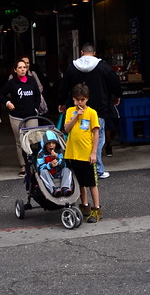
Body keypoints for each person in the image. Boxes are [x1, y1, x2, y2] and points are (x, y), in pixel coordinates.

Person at [59, 43, 122, 178]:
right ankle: (96, 168)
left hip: (77, 110)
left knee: (77, 139)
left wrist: (62, 102)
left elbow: (64, 86)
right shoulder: (103, 67)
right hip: (98, 110)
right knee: (97, 140)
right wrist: (116, 96)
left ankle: (80, 168)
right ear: (94, 53)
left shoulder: (72, 67)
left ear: (81, 52)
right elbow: (115, 83)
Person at [64, 83, 102, 223]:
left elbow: (96, 133)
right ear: (74, 99)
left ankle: (96, 209)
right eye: (77, 99)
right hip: (73, 153)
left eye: (83, 99)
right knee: (80, 182)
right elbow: (66, 129)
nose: (80, 102)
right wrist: (76, 116)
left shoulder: (92, 113)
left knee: (91, 182)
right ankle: (84, 205)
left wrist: (93, 153)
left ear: (87, 99)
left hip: (86, 153)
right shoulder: (70, 111)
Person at [0, 59, 40, 176]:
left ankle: (34, 164)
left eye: (24, 67)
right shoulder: (12, 83)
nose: (23, 69)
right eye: (20, 67)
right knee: (20, 141)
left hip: (31, 115)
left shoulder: (32, 81)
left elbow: (38, 96)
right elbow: (1, 94)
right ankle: (23, 166)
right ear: (15, 70)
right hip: (16, 116)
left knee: (33, 140)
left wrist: (36, 109)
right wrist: (8, 103)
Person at [36, 129, 73, 197]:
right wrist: (50, 165)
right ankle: (53, 189)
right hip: (48, 174)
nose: (51, 145)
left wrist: (57, 158)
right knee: (43, 172)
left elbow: (63, 165)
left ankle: (65, 187)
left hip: (58, 172)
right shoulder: (41, 154)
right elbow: (39, 167)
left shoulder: (58, 152)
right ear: (45, 144)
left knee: (67, 170)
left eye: (53, 143)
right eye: (49, 143)